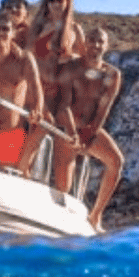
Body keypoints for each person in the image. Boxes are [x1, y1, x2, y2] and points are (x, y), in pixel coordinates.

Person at [53, 27, 124, 232]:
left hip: (90, 128)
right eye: (92, 40)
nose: (96, 45)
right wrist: (72, 133)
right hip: (67, 127)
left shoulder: (112, 74)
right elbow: (64, 104)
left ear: (107, 46)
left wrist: (89, 135)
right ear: (84, 43)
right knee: (63, 187)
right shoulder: (72, 68)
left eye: (100, 41)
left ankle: (95, 215)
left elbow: (104, 109)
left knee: (116, 161)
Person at [17, 0, 86, 178]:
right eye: (52, 0)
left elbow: (84, 63)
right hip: (34, 82)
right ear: (46, 3)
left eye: (60, 0)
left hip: (57, 89)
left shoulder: (75, 30)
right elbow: (27, 55)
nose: (56, 4)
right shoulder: (38, 27)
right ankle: (23, 166)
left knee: (56, 126)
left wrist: (71, 58)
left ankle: (27, 166)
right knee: (43, 120)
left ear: (68, 3)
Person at [0, 10, 43, 169]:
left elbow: (36, 86)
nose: (0, 33)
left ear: (13, 33)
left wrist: (37, 108)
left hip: (10, 133)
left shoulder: (24, 59)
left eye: (5, 29)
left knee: (3, 174)